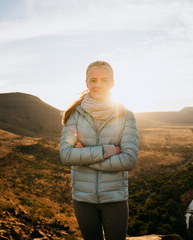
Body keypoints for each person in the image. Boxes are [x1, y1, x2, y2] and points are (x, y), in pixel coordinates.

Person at [59, 60, 139, 240]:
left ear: (112, 83)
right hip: (83, 200)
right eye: (93, 80)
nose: (98, 84)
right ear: (86, 83)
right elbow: (66, 155)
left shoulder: (126, 116)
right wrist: (107, 150)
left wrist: (84, 158)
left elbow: (128, 160)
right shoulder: (74, 116)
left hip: (115, 199)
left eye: (104, 80)